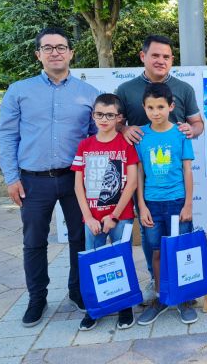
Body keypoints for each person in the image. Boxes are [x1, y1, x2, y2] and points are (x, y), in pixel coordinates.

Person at [0, 28, 99, 327]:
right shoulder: (19, 90)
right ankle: (37, 298)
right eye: (48, 47)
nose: (55, 52)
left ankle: (77, 291)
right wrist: (11, 178)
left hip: (74, 180)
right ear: (38, 54)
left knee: (80, 238)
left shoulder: (88, 94)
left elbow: (96, 139)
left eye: (61, 47)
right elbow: (7, 135)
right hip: (33, 181)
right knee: (34, 241)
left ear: (70, 53)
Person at [116, 35, 203, 303]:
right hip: (144, 177)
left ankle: (183, 289)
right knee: (152, 242)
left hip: (175, 185)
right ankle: (157, 285)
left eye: (166, 56)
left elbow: (198, 125)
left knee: (179, 241)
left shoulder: (184, 88)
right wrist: (125, 128)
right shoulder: (126, 90)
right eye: (155, 55)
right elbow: (114, 124)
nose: (161, 61)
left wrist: (192, 129)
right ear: (143, 57)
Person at [71, 93, 140, 331]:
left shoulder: (125, 144)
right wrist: (88, 217)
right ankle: (95, 308)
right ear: (93, 115)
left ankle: (125, 307)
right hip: (92, 218)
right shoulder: (85, 145)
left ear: (119, 118)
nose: (104, 119)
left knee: (122, 259)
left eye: (110, 115)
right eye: (99, 114)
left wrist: (114, 216)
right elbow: (78, 184)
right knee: (94, 262)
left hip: (120, 216)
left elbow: (131, 183)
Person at [134, 83, 197, 326]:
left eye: (160, 107)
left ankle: (183, 299)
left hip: (178, 202)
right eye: (150, 107)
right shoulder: (141, 135)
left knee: (180, 250)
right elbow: (139, 172)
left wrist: (188, 204)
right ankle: (161, 297)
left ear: (171, 107)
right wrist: (142, 205)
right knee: (157, 252)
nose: (155, 112)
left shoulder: (181, 134)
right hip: (151, 203)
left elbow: (187, 170)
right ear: (144, 108)